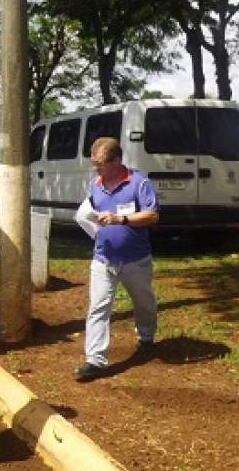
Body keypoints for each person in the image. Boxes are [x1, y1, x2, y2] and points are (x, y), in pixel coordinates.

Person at [74, 137, 160, 382]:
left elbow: (152, 216)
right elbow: (90, 210)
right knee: (98, 308)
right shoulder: (95, 184)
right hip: (103, 258)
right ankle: (95, 360)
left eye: (100, 164)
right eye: (94, 163)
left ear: (117, 161)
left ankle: (146, 337)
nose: (96, 168)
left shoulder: (138, 182)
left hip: (136, 260)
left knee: (143, 303)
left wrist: (121, 219)